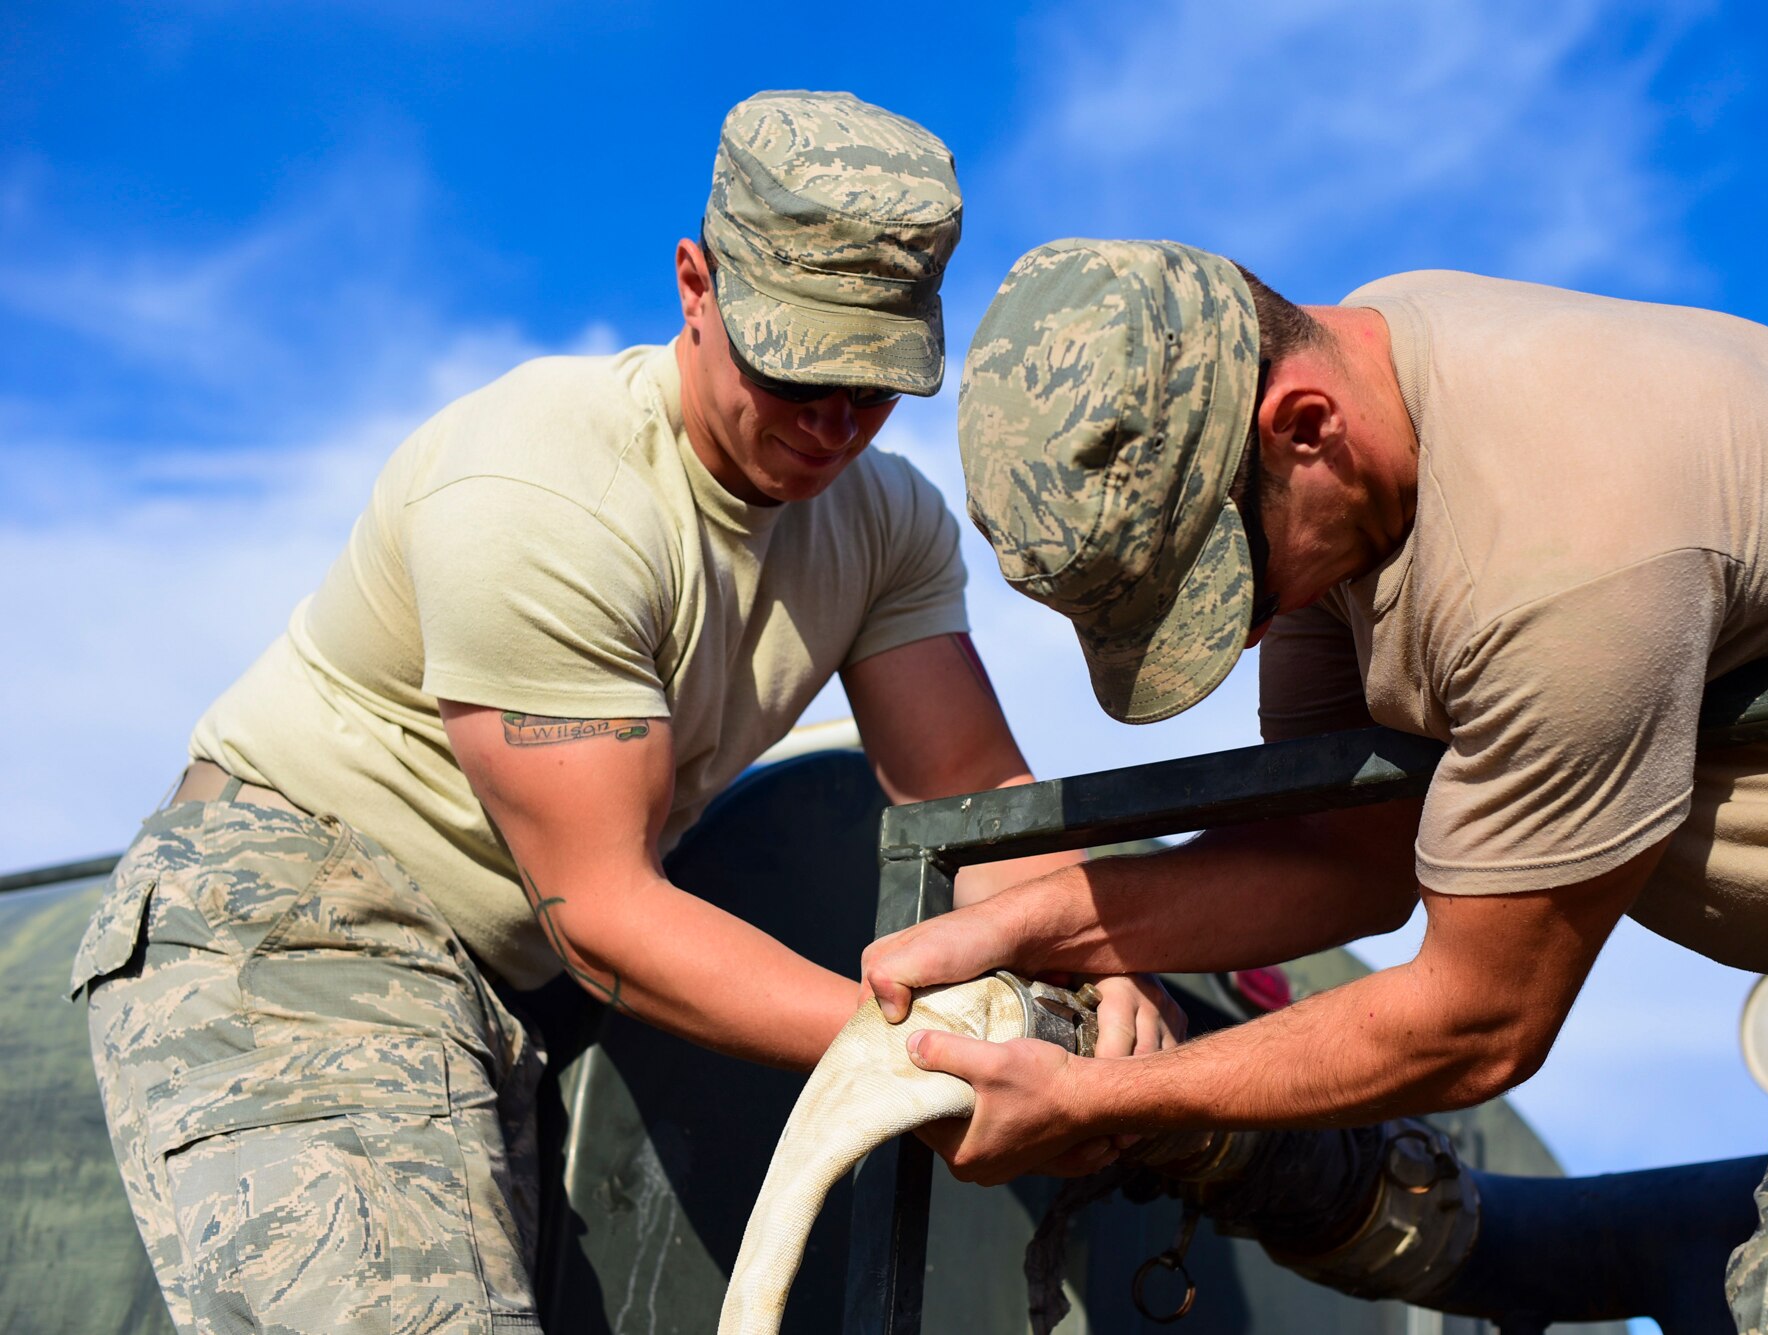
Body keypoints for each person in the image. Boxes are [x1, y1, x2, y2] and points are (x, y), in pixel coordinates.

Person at [71, 99, 1175, 1335]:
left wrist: (1109, 968)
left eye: (874, 384)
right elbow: (604, 913)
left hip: (517, 987)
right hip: (302, 928)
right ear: (694, 284)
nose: (832, 422)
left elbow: (973, 814)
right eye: (797, 367)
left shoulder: (885, 525)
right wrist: (931, 1059)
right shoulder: (541, 493)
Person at [860, 239, 1768, 1331]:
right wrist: (1023, 926)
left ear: (1303, 429)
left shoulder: (1564, 559)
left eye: (1222, 586)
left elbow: (1478, 1024)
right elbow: (1337, 855)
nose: (1246, 637)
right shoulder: (1363, 390)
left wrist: (1099, 1103)